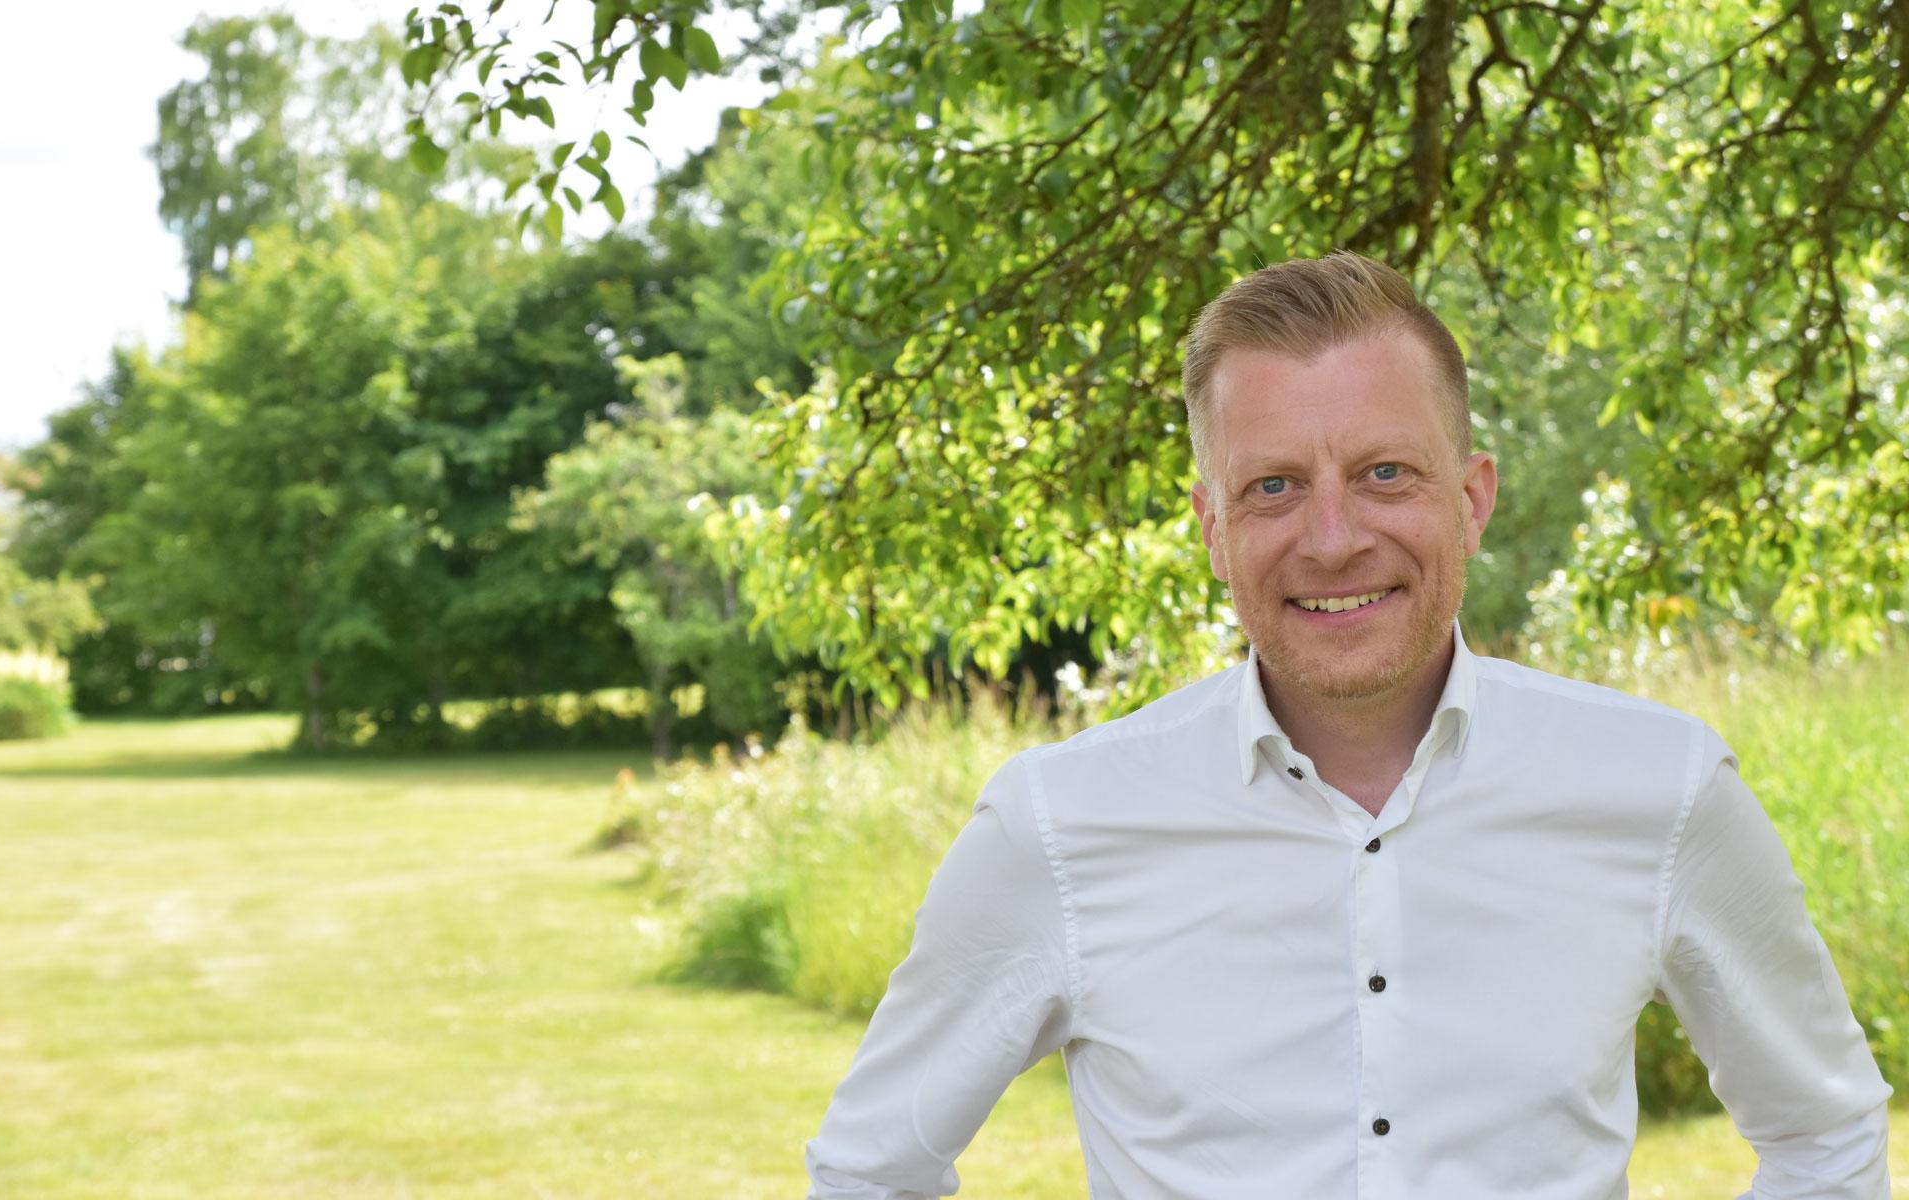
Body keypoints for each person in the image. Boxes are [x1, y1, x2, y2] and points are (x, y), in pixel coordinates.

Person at [803, 251, 1893, 1198]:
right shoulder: (1055, 824)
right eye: (1273, 485)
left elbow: (1823, 1136)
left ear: (1469, 498)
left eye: (1383, 474)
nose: (1330, 540)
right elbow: (866, 1173)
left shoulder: (1662, 789)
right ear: (1210, 526)